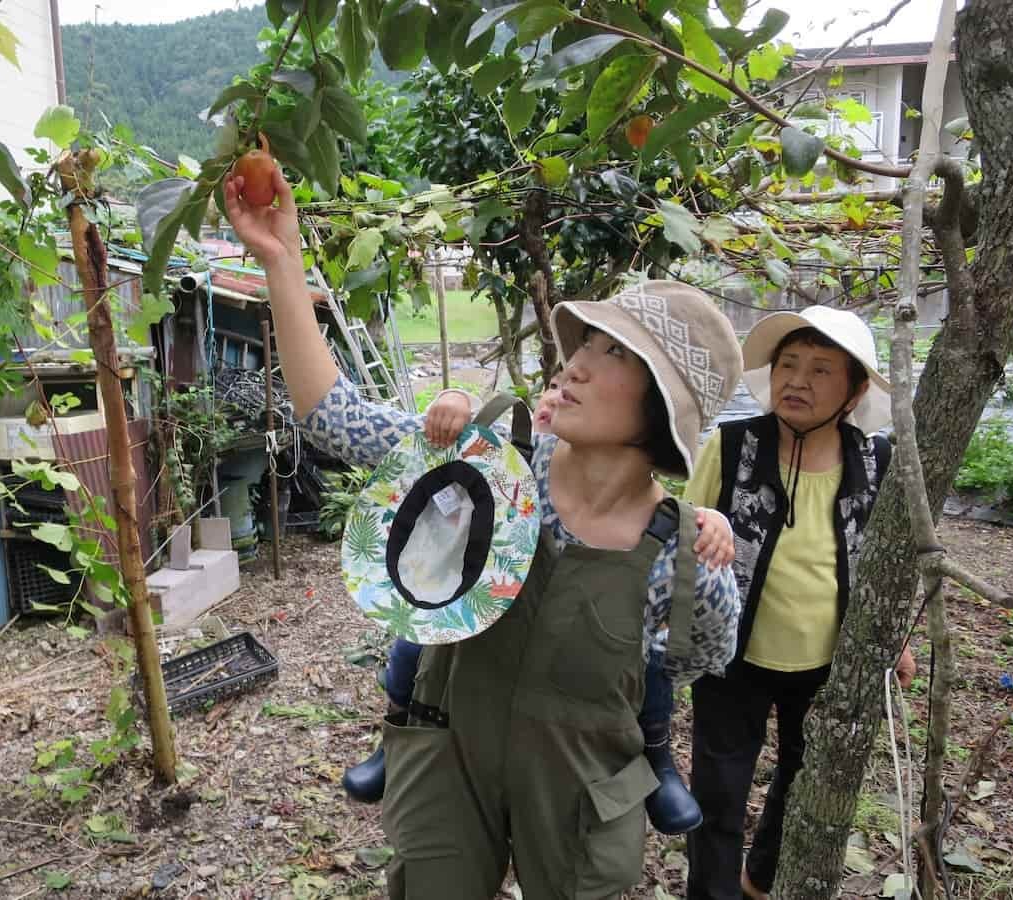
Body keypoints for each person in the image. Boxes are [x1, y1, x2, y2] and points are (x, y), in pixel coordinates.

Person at [225, 167, 744, 899]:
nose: (578, 364)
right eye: (587, 342)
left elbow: (697, 662)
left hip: (581, 788)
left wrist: (699, 530)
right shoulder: (491, 465)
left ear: (663, 411)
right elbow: (330, 413)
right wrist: (283, 261)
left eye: (615, 354)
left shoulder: (685, 560)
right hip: (448, 759)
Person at [345, 372, 731, 837]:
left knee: (650, 666)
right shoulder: (507, 463)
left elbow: (706, 647)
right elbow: (388, 441)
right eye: (549, 387)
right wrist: (453, 401)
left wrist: (702, 522)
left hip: (579, 710)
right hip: (470, 615)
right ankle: (397, 731)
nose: (558, 390)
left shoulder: (656, 530)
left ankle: (657, 755)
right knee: (414, 640)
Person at [682, 307, 917, 900]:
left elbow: (882, 560)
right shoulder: (732, 448)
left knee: (801, 777)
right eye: (787, 365)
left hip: (827, 661)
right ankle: (712, 894)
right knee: (719, 790)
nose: (797, 381)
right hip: (730, 653)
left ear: (854, 389)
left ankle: (760, 878)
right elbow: (684, 530)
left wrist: (898, 641)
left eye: (819, 370)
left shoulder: (873, 461)